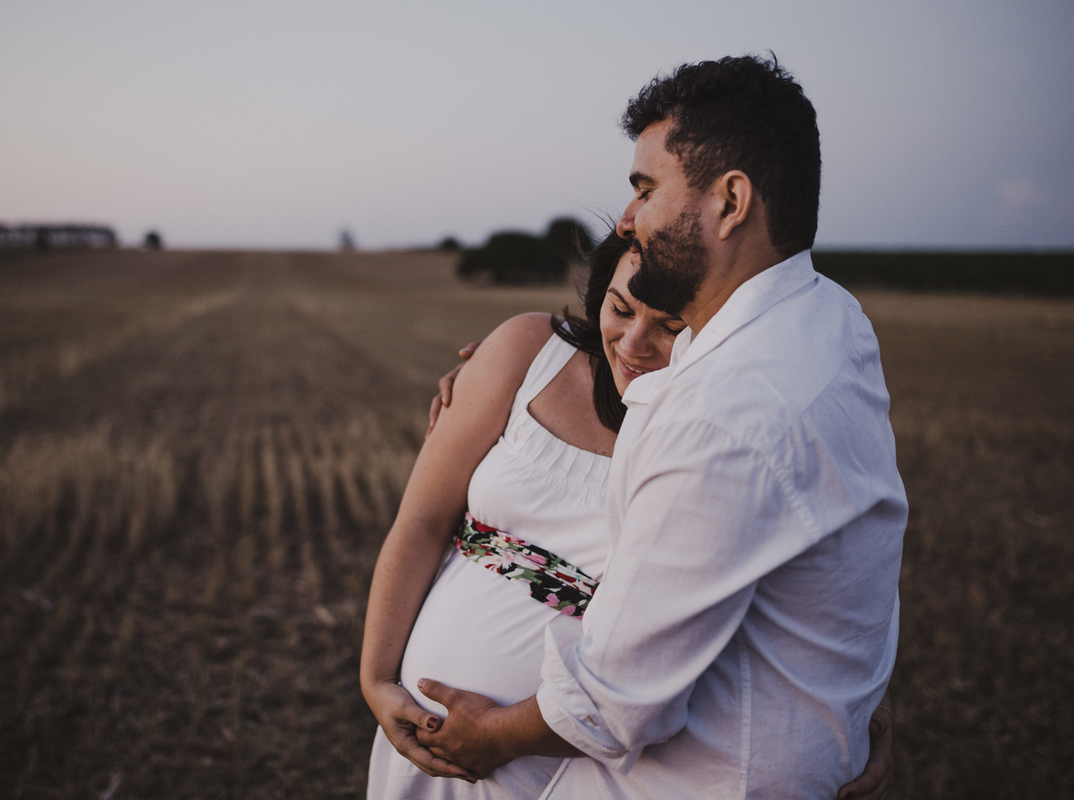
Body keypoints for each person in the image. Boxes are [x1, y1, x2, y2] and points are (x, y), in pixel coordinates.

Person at [413, 55, 906, 799]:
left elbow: (615, 698)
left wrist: (488, 738)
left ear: (730, 201)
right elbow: (834, 556)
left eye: (646, 189)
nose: (626, 219)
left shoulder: (722, 410)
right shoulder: (830, 320)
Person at [362, 234, 894, 798]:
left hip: (565, 770)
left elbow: (827, 577)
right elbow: (421, 520)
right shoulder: (528, 349)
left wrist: (859, 706)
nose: (634, 344)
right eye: (619, 309)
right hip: (424, 750)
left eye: (669, 327)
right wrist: (376, 679)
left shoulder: (722, 435)